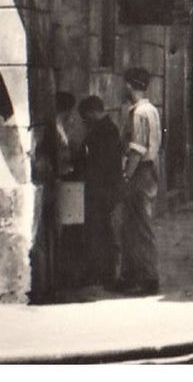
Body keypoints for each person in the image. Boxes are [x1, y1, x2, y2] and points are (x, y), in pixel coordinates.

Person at [117, 67, 161, 295]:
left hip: (140, 172)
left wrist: (127, 175)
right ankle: (134, 275)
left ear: (129, 85)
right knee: (134, 226)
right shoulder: (149, 109)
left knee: (140, 227)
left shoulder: (140, 112)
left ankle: (147, 278)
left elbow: (137, 149)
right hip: (146, 171)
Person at [75, 94, 123, 286]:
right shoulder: (108, 128)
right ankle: (105, 271)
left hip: (102, 187)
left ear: (93, 112)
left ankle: (103, 272)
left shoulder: (102, 131)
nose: (85, 121)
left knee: (99, 229)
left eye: (85, 116)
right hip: (106, 186)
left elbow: (99, 161)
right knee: (103, 228)